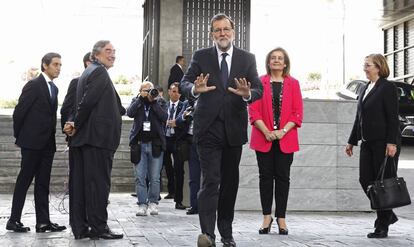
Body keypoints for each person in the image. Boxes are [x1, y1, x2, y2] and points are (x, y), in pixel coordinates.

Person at [180, 13, 263, 247]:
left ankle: (226, 232)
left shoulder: (247, 58)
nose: (222, 33)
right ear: (211, 34)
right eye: (217, 30)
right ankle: (208, 234)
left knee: (229, 183)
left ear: (233, 32)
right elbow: (185, 83)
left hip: (233, 129)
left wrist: (248, 94)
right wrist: (195, 90)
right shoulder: (201, 56)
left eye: (226, 29)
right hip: (207, 129)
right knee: (211, 181)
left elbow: (258, 88)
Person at [64, 40, 125, 240]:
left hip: (86, 140)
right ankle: (99, 227)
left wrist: (76, 125)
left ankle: (80, 228)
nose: (113, 54)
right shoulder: (99, 72)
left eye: (114, 51)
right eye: (108, 51)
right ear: (96, 55)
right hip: (97, 140)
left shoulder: (88, 72)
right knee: (98, 185)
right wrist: (76, 124)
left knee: (81, 186)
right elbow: (88, 102)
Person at [7, 52, 66, 233]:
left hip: (47, 144)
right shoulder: (33, 85)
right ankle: (13, 220)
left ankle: (43, 222)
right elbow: (19, 113)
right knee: (24, 181)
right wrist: (20, 138)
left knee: (43, 183)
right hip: (31, 143)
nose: (59, 68)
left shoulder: (54, 89)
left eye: (60, 65)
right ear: (45, 65)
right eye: (55, 64)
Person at [248, 47, 303, 235]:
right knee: (265, 178)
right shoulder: (258, 83)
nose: (277, 60)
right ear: (268, 62)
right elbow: (253, 111)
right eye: (273, 58)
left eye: (280, 58)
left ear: (285, 62)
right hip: (263, 138)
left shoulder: (294, 84)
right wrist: (267, 131)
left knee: (283, 179)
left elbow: (297, 113)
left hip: (285, 139)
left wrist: (282, 131)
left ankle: (281, 218)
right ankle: (266, 217)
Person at [345, 53, 401, 238]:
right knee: (365, 180)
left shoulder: (387, 87)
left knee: (382, 184)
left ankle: (382, 226)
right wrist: (352, 140)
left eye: (368, 65)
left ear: (378, 67)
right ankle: (388, 214)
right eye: (365, 64)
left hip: (384, 143)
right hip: (367, 143)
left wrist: (391, 142)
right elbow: (359, 117)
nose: (365, 68)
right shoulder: (365, 88)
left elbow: (393, 117)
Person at [60, 52, 92, 228]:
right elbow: (66, 109)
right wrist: (69, 129)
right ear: (88, 63)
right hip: (78, 140)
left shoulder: (103, 84)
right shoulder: (76, 82)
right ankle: (79, 224)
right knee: (78, 184)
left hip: (95, 141)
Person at [127, 81, 168, 216]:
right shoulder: (136, 101)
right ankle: (142, 204)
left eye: (151, 89)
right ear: (140, 91)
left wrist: (153, 101)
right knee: (140, 177)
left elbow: (164, 117)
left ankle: (153, 203)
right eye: (146, 90)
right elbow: (130, 113)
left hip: (155, 144)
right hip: (139, 145)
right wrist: (140, 98)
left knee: (155, 177)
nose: (150, 92)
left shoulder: (160, 101)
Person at [163, 82, 187, 210]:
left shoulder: (184, 106)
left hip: (177, 140)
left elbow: (187, 123)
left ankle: (179, 200)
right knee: (167, 167)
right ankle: (170, 191)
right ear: (169, 92)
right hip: (165, 139)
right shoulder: (163, 105)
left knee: (179, 169)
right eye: (173, 91)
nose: (175, 94)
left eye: (178, 92)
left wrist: (176, 124)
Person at [175, 98, 200, 215]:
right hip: (191, 142)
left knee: (209, 177)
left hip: (206, 142)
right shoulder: (187, 103)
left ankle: (207, 205)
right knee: (193, 176)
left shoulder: (211, 101)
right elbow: (178, 120)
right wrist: (184, 116)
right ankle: (194, 205)